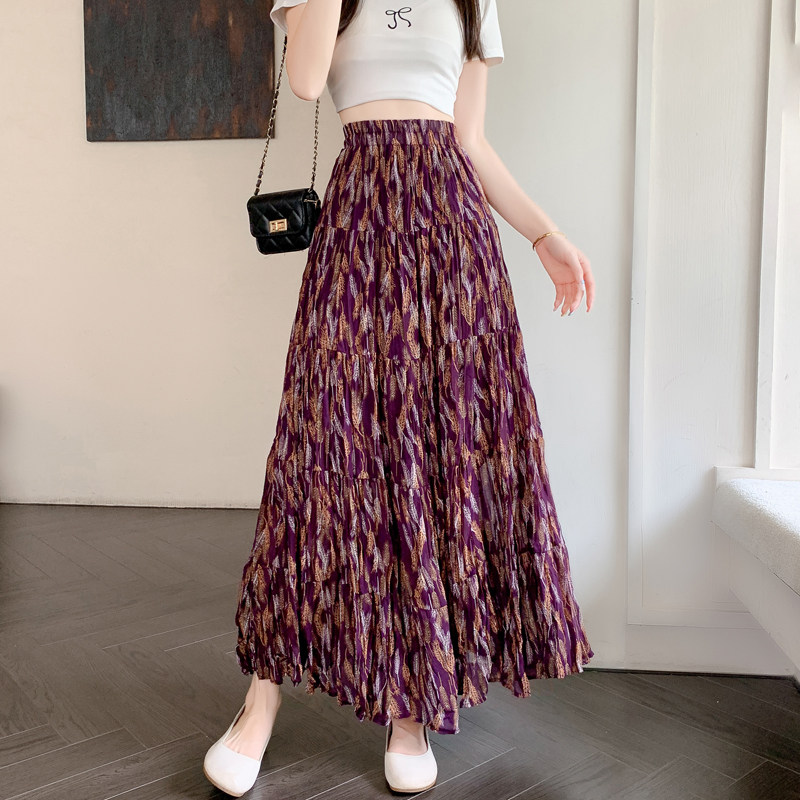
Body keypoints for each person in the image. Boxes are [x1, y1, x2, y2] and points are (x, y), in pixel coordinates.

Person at [203, 0, 596, 795]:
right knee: (320, 450)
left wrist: (543, 233)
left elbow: (470, 139)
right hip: (359, 225)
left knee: (436, 456)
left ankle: (411, 706)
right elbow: (306, 80)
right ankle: (259, 702)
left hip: (452, 237)